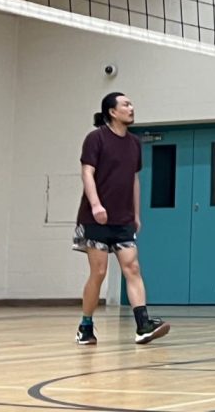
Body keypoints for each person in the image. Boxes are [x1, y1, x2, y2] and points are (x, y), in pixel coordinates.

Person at [73, 93, 169, 346]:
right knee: (99, 272)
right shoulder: (96, 138)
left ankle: (143, 325)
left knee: (132, 268)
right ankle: (85, 326)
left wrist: (136, 214)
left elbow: (133, 179)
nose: (131, 108)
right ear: (112, 112)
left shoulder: (135, 143)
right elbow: (87, 172)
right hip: (96, 219)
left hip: (123, 220)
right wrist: (96, 205)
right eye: (126, 104)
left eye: (131, 104)